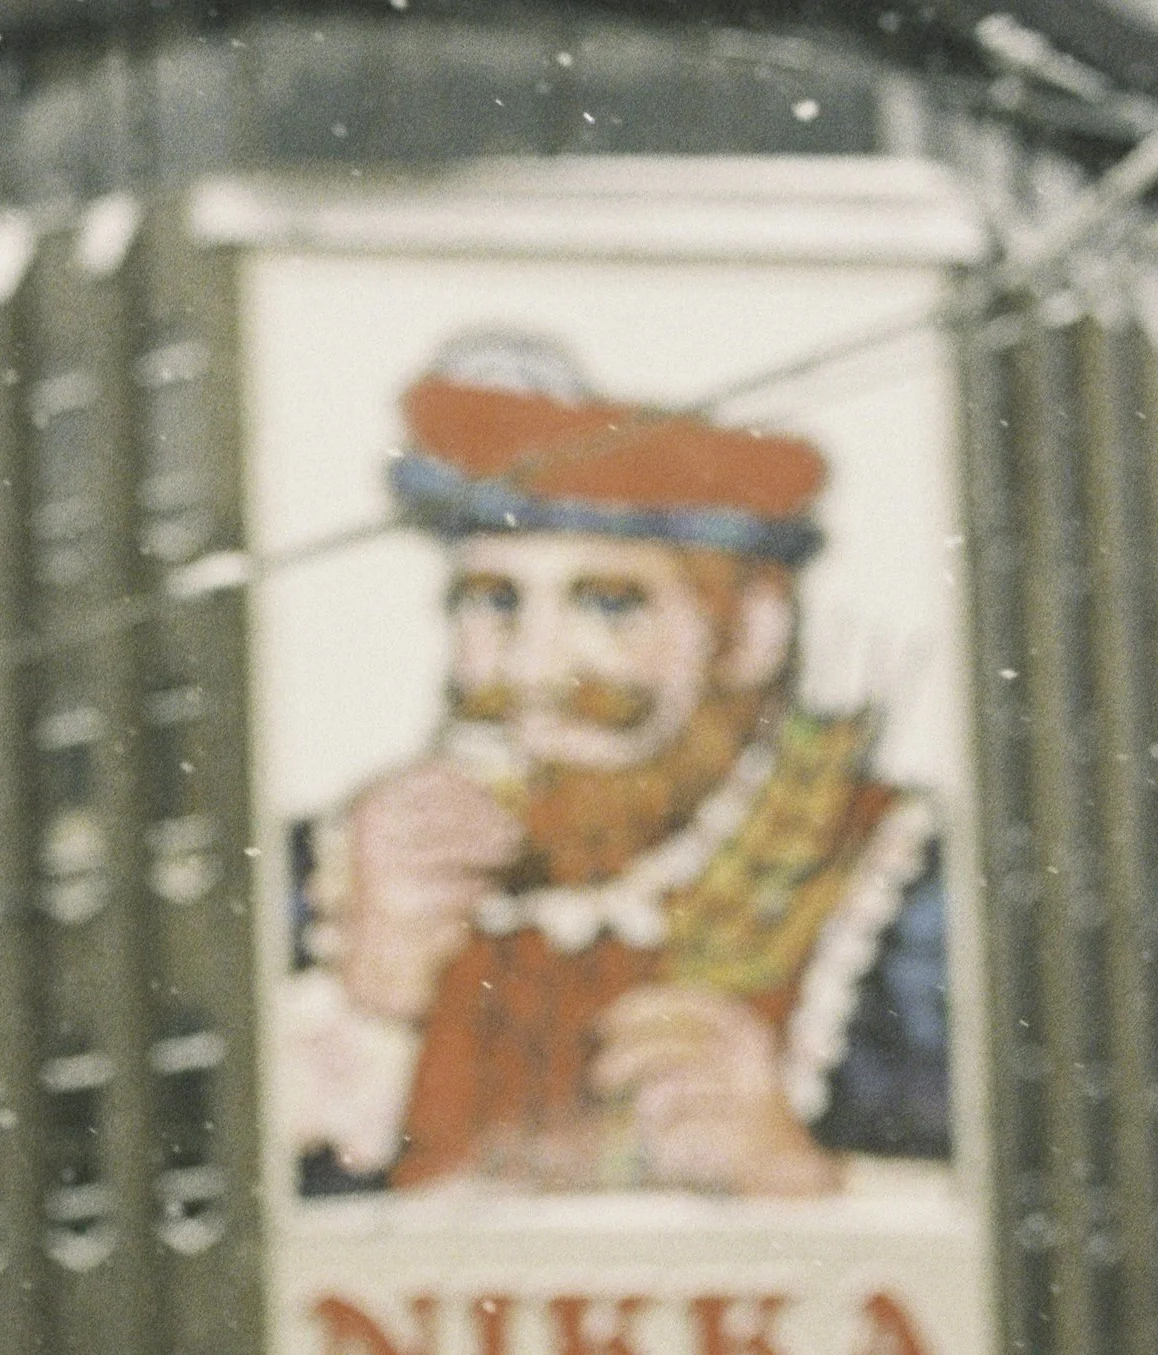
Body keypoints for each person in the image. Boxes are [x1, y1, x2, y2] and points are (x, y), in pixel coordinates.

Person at [283, 334, 948, 1198]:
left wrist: (802, 1176)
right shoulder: (330, 877)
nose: (530, 669)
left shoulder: (904, 887)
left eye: (608, 603)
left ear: (751, 631)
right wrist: (368, 1009)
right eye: (494, 601)